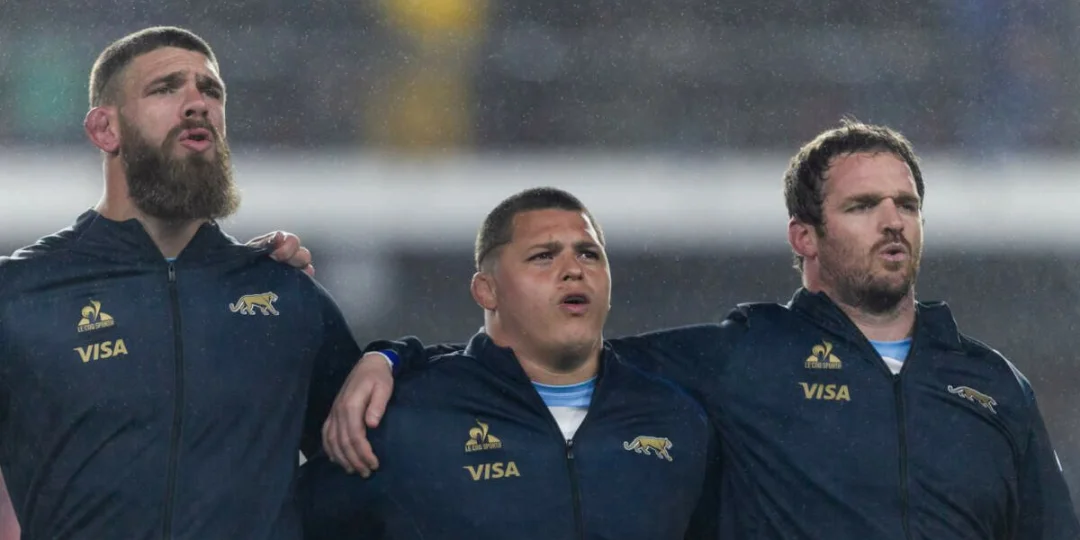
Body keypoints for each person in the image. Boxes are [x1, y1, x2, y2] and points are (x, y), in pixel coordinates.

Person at [325, 120, 1080, 539]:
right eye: (862, 207)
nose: (892, 221)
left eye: (906, 206)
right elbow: (551, 344)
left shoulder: (992, 384)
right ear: (805, 238)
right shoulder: (742, 358)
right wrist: (396, 357)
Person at [0, 26, 364, 539]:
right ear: (105, 129)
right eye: (166, 88)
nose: (197, 103)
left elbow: (387, 465)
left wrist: (391, 358)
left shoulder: (287, 298)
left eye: (210, 90)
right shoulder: (20, 296)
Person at [297, 187, 720, 539]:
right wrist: (387, 355)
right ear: (487, 291)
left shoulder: (675, 420)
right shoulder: (405, 419)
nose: (573, 270)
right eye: (544, 256)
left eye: (589, 254)